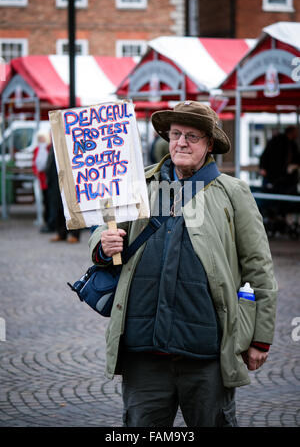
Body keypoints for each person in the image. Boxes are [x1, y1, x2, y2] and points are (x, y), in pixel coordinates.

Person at [88, 101, 278, 427]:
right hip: (143, 351)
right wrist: (103, 247)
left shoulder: (233, 192)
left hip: (207, 353)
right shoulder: (138, 186)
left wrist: (260, 337)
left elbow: (258, 265)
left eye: (192, 136)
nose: (182, 143)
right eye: (176, 134)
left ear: (208, 145)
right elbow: (103, 232)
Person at [45, 144, 81, 243]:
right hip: (55, 177)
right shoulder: (54, 142)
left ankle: (75, 234)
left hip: (69, 177)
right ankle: (61, 233)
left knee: (72, 206)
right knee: (58, 207)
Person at [259, 126, 300, 195]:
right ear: (291, 132)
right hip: (279, 177)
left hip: (279, 177)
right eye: (296, 132)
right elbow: (265, 155)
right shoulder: (281, 142)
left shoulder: (289, 143)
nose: (297, 134)